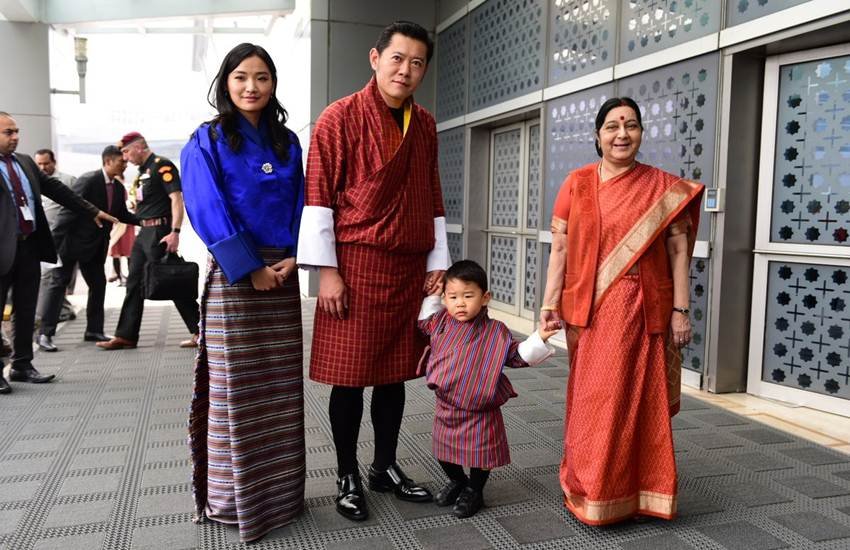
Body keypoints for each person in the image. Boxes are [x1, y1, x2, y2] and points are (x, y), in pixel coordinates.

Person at [296, 20, 450, 522]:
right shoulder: (338, 117)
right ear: (375, 58)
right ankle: (347, 474)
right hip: (356, 264)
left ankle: (384, 466)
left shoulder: (423, 123)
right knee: (350, 378)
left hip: (408, 265)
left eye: (417, 63)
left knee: (393, 375)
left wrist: (437, 263)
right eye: (398, 58)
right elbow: (318, 196)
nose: (406, 70)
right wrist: (327, 272)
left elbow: (432, 193)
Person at [539, 97, 704, 525]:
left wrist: (681, 310)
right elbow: (560, 249)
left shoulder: (662, 187)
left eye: (631, 125)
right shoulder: (576, 183)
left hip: (643, 307)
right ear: (597, 136)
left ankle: (638, 491)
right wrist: (549, 303)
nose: (622, 134)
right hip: (590, 310)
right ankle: (591, 488)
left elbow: (679, 251)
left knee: (639, 402)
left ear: (641, 133)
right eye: (612, 126)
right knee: (594, 400)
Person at [181, 43, 305, 543]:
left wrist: (296, 254)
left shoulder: (287, 141)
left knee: (279, 389)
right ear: (225, 83)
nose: (251, 87)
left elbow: (304, 202)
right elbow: (205, 206)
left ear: (273, 84)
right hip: (238, 277)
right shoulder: (206, 139)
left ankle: (281, 496)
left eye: (262, 77)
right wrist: (250, 268)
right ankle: (234, 500)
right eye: (240, 77)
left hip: (284, 273)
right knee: (236, 391)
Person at [417, 260, 556, 518]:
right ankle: (458, 481)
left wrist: (540, 337)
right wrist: (434, 295)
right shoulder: (440, 322)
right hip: (447, 406)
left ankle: (474, 489)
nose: (460, 303)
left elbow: (515, 356)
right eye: (453, 297)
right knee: (444, 452)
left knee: (480, 454)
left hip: (481, 408)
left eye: (468, 296)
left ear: (485, 297)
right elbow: (424, 320)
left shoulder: (495, 331)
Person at [0, 112, 117, 395]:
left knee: (26, 309)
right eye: (8, 132)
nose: (16, 137)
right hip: (2, 249)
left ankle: (22, 365)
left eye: (17, 131)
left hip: (28, 246)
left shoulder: (25, 162)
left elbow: (57, 190)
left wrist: (91, 211)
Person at [96, 132, 200, 350]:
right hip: (144, 232)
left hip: (160, 232)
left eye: (126, 152)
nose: (125, 157)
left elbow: (176, 199)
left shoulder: (162, 166)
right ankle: (126, 335)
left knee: (171, 280)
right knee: (133, 283)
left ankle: (201, 331)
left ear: (139, 147)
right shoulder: (143, 172)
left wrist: (175, 231)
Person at [37, 146, 139, 349]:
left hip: (95, 247)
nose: (125, 165)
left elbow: (120, 214)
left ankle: (94, 330)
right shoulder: (89, 180)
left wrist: (145, 220)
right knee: (58, 287)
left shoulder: (118, 188)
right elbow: (68, 210)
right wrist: (53, 245)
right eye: (121, 162)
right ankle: (45, 335)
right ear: (108, 161)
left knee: (98, 285)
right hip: (70, 245)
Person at [33, 148, 78, 345]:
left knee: (51, 280)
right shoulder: (33, 181)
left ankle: (42, 325)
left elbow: (79, 205)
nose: (43, 168)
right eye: (39, 164)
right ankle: (60, 313)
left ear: (54, 162)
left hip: (64, 241)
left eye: (46, 163)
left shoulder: (68, 181)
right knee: (52, 281)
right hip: (40, 240)